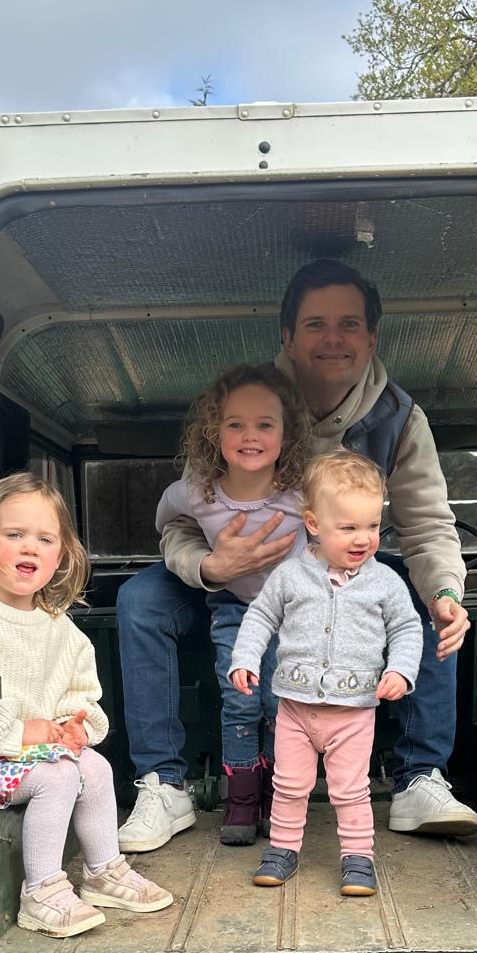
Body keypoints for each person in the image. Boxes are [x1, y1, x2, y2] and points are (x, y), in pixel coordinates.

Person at [117, 257, 477, 855]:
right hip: (227, 577)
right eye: (315, 324)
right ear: (288, 336)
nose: (332, 338)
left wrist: (446, 591)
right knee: (138, 600)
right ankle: (164, 783)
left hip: (334, 572)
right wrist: (210, 568)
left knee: (427, 601)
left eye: (349, 324)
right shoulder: (244, 406)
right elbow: (182, 523)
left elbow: (427, 527)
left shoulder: (399, 420)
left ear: (371, 337)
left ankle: (419, 778)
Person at [230, 450, 423, 897]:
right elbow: (260, 617)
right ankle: (282, 849)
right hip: (295, 708)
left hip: (353, 712)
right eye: (349, 528)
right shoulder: (291, 575)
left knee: (351, 790)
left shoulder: (385, 582)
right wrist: (244, 658)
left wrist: (400, 669)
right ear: (314, 524)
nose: (363, 538)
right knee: (290, 784)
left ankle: (358, 859)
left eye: (373, 526)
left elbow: (408, 627)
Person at [0, 471, 173, 938]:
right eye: (14, 535)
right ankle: (42, 890)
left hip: (39, 754)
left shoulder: (60, 628)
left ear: (62, 555)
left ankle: (102, 870)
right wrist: (19, 733)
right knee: (58, 775)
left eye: (44, 539)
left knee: (93, 766)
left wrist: (80, 727)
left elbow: (83, 696)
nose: (30, 547)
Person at [153, 363, 310, 846]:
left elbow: (348, 516)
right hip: (236, 610)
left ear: (288, 434)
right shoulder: (196, 493)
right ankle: (240, 802)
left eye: (265, 425)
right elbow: (166, 520)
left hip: (297, 614)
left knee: (282, 704)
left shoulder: (304, 491)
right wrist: (207, 559)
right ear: (213, 432)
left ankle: (276, 801)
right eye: (235, 424)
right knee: (240, 700)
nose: (250, 435)